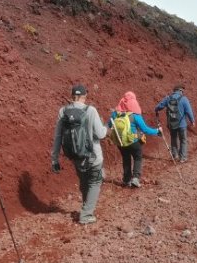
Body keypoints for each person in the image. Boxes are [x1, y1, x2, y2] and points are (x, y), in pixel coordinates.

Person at [51, 84, 107, 224]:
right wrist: (107, 127)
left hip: (76, 156)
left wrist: (54, 159)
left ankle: (85, 207)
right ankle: (86, 214)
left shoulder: (63, 111)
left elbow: (58, 136)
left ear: (72, 96)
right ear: (84, 96)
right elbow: (100, 134)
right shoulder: (91, 110)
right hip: (93, 156)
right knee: (95, 181)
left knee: (84, 181)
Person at [107, 91, 161, 188]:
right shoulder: (135, 115)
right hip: (133, 141)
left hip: (120, 142)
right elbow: (145, 129)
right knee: (137, 157)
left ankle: (126, 180)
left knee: (126, 159)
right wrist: (157, 131)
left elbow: (109, 125)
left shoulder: (115, 113)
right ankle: (135, 178)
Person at [155, 85, 195, 163]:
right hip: (182, 124)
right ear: (180, 91)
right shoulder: (184, 99)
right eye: (182, 91)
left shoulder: (168, 98)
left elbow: (158, 107)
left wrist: (156, 110)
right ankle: (183, 158)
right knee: (183, 140)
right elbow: (189, 111)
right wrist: (192, 121)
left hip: (171, 124)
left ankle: (175, 155)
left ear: (174, 91)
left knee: (173, 139)